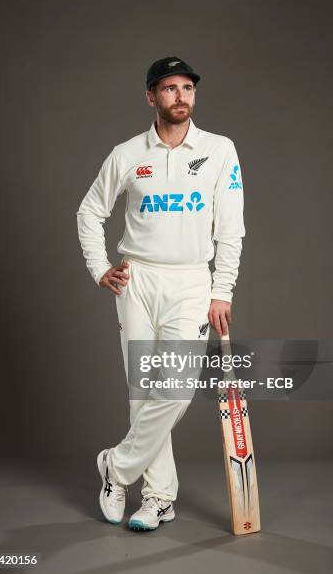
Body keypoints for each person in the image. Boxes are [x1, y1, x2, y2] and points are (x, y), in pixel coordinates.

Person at [76, 56, 245, 531]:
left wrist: (221, 289)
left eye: (187, 87)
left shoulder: (219, 150)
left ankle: (116, 467)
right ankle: (157, 499)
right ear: (152, 97)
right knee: (142, 393)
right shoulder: (128, 154)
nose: (180, 96)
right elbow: (89, 212)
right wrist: (99, 268)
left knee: (173, 387)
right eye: (169, 88)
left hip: (192, 280)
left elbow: (231, 228)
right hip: (137, 280)